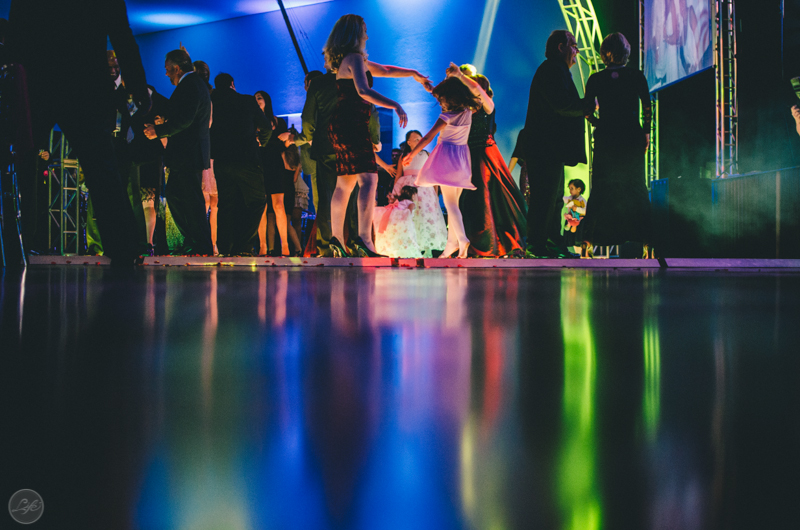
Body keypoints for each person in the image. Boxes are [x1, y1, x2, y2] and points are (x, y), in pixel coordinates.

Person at [8, 0, 151, 266]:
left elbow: (16, 34)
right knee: (102, 169)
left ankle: (16, 242)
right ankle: (123, 249)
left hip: (37, 84)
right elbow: (122, 34)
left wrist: (13, 87)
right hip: (86, 86)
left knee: (23, 165)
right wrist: (138, 87)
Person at [324, 14, 433, 257]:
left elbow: (386, 70)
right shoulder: (353, 58)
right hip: (351, 123)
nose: (367, 35)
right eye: (364, 30)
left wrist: (414, 74)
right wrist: (394, 104)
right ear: (354, 34)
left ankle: (337, 239)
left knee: (346, 182)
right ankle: (364, 239)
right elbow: (363, 91)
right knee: (368, 180)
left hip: (344, 123)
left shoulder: (353, 59)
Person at [580, 32, 653, 258]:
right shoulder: (636, 76)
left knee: (600, 190)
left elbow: (586, 111)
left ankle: (586, 243)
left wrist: (598, 124)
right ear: (626, 52)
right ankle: (648, 245)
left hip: (606, 137)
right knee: (638, 188)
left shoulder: (595, 79)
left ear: (604, 54)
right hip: (631, 136)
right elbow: (647, 107)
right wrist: (646, 133)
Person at [522, 30, 588, 258]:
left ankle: (550, 243)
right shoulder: (552, 69)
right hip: (544, 147)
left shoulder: (554, 69)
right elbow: (562, 104)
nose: (576, 52)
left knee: (553, 198)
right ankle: (537, 246)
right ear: (561, 47)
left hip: (549, 148)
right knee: (544, 198)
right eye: (574, 46)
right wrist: (588, 106)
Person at [404, 75, 482, 259]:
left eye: (442, 100)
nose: (440, 103)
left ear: (450, 98)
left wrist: (411, 154)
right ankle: (452, 244)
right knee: (454, 204)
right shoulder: (467, 112)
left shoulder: (447, 116)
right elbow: (471, 95)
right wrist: (433, 89)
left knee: (450, 203)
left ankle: (462, 239)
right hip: (462, 160)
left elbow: (428, 137)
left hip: (447, 159)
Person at [144, 49, 213, 255]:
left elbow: (185, 119)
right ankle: (196, 241)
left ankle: (199, 243)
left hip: (188, 153)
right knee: (181, 196)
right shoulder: (195, 85)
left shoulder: (190, 85)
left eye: (167, 69)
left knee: (187, 198)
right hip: (189, 152)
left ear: (176, 67)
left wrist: (159, 130)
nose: (166, 74)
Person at [455, 64, 527, 257]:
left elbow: (477, 89)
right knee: (471, 200)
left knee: (488, 196)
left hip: (486, 154)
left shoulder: (488, 105)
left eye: (473, 87)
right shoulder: (467, 109)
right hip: (469, 154)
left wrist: (460, 76)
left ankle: (495, 242)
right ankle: (471, 241)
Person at [278, 71, 339, 257]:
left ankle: (326, 245)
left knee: (322, 203)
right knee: (325, 202)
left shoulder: (317, 100)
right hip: (322, 158)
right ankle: (328, 243)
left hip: (319, 159)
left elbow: (309, 132)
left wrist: (292, 139)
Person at [210, 73, 271, 256]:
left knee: (226, 204)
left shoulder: (212, 102)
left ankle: (224, 247)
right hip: (246, 159)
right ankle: (243, 246)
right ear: (232, 84)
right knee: (257, 201)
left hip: (221, 160)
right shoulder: (246, 101)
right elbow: (266, 126)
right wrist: (262, 142)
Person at [394, 129, 447, 256]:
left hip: (423, 187)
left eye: (420, 139)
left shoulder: (426, 154)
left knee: (424, 215)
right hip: (407, 188)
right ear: (409, 142)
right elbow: (398, 175)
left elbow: (432, 174)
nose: (419, 141)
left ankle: (426, 247)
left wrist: (435, 192)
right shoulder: (403, 156)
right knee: (409, 215)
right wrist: (395, 192)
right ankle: (410, 245)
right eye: (416, 139)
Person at [193, 59, 219, 254]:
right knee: (211, 201)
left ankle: (206, 242)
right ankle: (210, 243)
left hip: (207, 149)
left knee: (208, 200)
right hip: (213, 149)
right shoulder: (212, 94)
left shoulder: (203, 94)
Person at [372, 185, 420, 257]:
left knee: (395, 237)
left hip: (394, 222)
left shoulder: (399, 202)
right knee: (406, 237)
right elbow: (408, 212)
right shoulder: (411, 203)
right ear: (413, 195)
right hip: (404, 223)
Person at [561, 178, 586, 252]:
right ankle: (569, 249)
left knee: (577, 237)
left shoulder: (582, 200)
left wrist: (577, 209)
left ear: (579, 189)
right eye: (569, 188)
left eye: (572, 188)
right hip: (570, 219)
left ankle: (578, 251)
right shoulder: (569, 198)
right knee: (568, 235)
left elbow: (585, 211)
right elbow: (562, 198)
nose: (570, 190)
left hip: (578, 221)